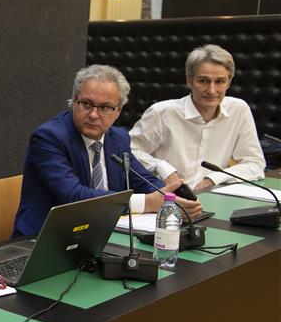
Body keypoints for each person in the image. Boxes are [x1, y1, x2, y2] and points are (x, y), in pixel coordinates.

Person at [13, 64, 203, 238]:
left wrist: (169, 197)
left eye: (105, 107)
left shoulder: (118, 138)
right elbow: (75, 197)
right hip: (46, 237)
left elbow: (141, 179)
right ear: (74, 102)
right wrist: (148, 202)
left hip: (102, 233)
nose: (93, 115)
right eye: (87, 104)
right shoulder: (49, 137)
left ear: (118, 111)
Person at [129, 44, 265, 191]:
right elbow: (127, 153)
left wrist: (214, 178)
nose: (211, 90)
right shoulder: (161, 113)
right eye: (203, 81)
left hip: (214, 196)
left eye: (219, 81)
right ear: (189, 80)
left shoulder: (238, 109)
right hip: (168, 196)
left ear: (229, 82)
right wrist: (161, 167)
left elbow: (255, 164)